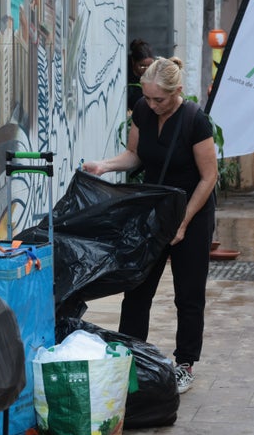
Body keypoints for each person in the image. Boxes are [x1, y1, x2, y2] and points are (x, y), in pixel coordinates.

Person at [82, 57, 218, 394]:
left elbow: (209, 177)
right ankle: (129, 356)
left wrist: (184, 222)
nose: (152, 105)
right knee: (138, 287)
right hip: (154, 210)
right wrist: (104, 165)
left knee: (188, 294)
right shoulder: (144, 110)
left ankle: (184, 363)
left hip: (193, 211)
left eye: (160, 99)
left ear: (178, 92)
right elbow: (134, 154)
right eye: (148, 98)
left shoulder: (195, 121)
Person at [126, 38, 156, 111]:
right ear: (133, 62)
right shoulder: (125, 73)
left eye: (150, 65)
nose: (146, 70)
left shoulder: (157, 70)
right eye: (142, 66)